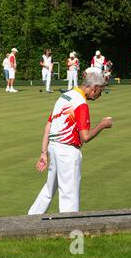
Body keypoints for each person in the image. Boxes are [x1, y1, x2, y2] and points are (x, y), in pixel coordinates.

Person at [28, 71, 112, 215]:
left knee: (48, 190)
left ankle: (28, 222)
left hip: (53, 148)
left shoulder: (64, 96)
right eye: (100, 91)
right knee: (69, 195)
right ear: (95, 88)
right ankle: (70, 231)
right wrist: (102, 125)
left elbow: (48, 125)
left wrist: (43, 152)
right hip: (67, 151)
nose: (99, 95)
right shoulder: (80, 103)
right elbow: (85, 137)